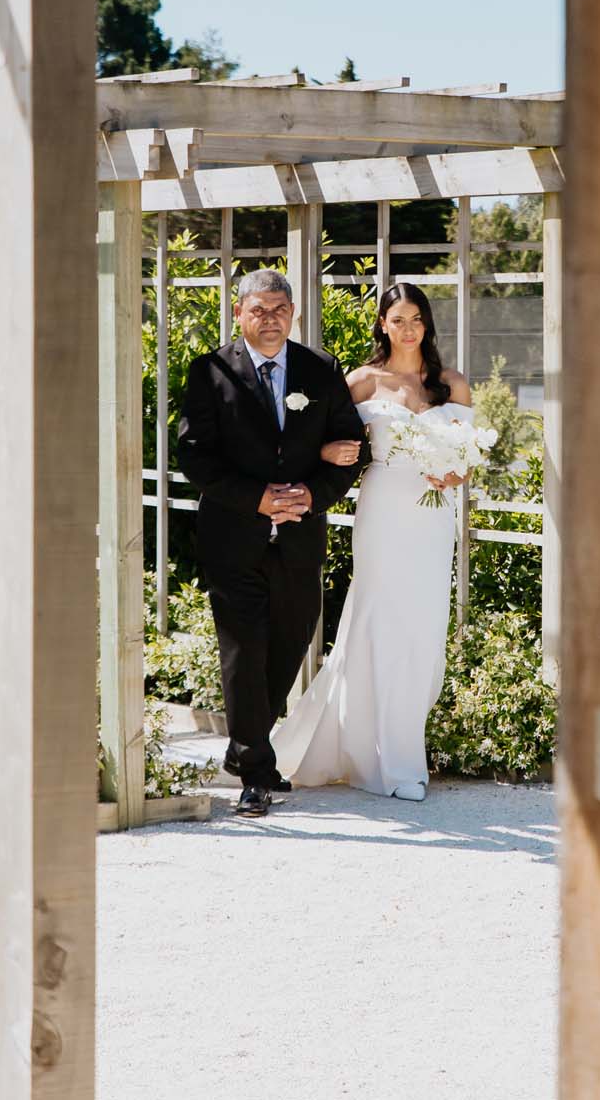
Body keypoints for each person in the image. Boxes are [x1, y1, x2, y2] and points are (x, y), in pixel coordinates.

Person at [177, 269, 368, 817]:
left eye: (280, 310)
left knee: (290, 642)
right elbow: (195, 455)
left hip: (300, 538)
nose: (270, 320)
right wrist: (256, 498)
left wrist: (312, 493)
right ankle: (257, 773)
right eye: (259, 310)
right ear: (239, 313)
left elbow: (352, 444)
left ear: (293, 315)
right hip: (234, 535)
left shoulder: (320, 369)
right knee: (244, 651)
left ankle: (245, 747)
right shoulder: (210, 372)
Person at [272, 282, 472, 802]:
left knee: (424, 630)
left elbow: (467, 458)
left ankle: (403, 746)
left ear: (427, 324)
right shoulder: (361, 381)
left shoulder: (452, 383)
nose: (408, 329)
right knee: (377, 621)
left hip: (433, 519)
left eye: (417, 319)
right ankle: (388, 761)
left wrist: (454, 473)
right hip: (383, 510)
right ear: (382, 324)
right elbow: (316, 435)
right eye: (397, 319)